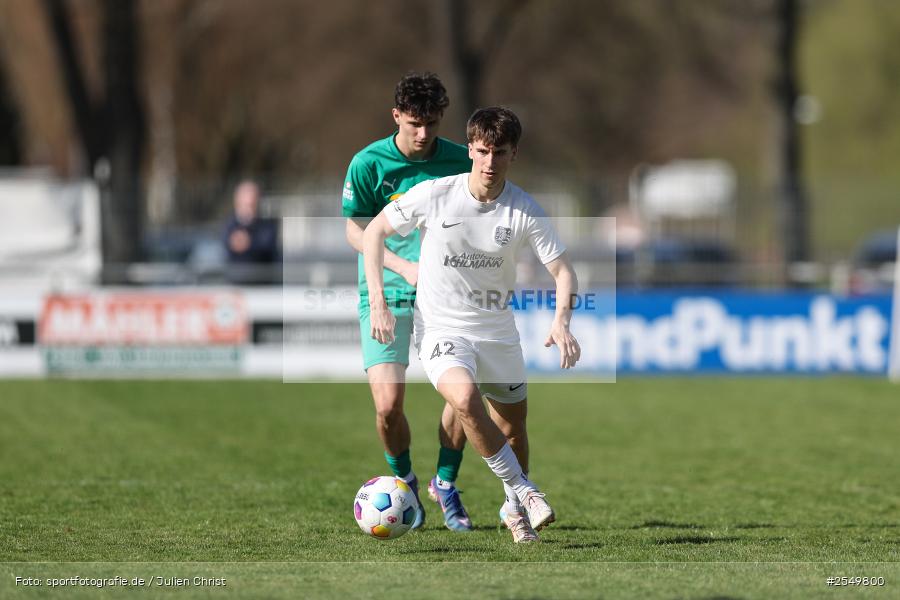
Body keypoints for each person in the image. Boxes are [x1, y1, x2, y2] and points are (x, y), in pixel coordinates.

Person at [363, 106, 581, 543]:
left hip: (497, 332)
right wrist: (380, 301)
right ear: (469, 149)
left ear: (513, 153)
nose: (489, 162)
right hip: (441, 328)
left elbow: (563, 272)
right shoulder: (436, 194)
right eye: (481, 151)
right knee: (463, 396)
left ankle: (513, 507)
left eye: (499, 152)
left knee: (513, 427)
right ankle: (524, 490)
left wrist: (562, 322)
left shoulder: (524, 210)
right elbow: (373, 232)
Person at [342, 72, 475, 531]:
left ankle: (446, 481)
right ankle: (405, 486)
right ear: (396, 115)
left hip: (447, 296)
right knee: (387, 406)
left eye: (433, 124)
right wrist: (390, 283)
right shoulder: (368, 163)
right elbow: (355, 230)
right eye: (415, 123)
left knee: (462, 396)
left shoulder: (462, 161)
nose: (423, 134)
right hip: (386, 292)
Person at [223, 180, 279, 284]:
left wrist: (249, 243)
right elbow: (226, 246)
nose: (248, 208)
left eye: (252, 204)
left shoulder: (268, 225)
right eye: (245, 204)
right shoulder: (229, 225)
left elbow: (268, 247)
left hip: (264, 285)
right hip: (237, 284)